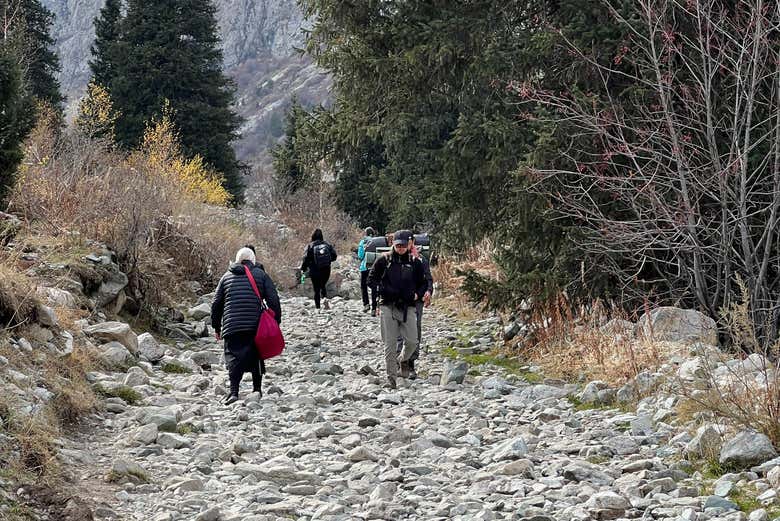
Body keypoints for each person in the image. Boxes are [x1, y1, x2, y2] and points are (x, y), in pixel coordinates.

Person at [211, 247, 282, 404]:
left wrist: (216, 326)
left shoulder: (226, 277)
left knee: (233, 358)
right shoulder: (261, 275)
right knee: (256, 355)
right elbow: (273, 298)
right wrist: (276, 320)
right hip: (254, 325)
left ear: (237, 260)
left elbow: (216, 303)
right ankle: (257, 390)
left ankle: (234, 392)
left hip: (231, 325)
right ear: (253, 260)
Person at [368, 230, 429, 389]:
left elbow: (423, 282)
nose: (400, 248)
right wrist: (382, 290)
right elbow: (371, 279)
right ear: (393, 245)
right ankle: (391, 379)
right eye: (398, 245)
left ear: (408, 245)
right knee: (389, 344)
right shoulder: (384, 260)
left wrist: (418, 294)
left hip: (408, 305)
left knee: (412, 341)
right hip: (387, 305)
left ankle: (402, 360)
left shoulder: (415, 262)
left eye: (403, 245)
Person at [396, 232, 433, 379]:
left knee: (415, 330)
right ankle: (401, 361)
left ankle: (410, 362)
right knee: (399, 329)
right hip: (398, 299)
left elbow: (428, 279)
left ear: (412, 242)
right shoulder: (391, 259)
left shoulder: (421, 260)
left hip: (416, 300)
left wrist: (428, 292)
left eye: (406, 242)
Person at [300, 228, 337, 310]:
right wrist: (327, 261)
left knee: (316, 289)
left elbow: (306, 259)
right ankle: (325, 303)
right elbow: (334, 256)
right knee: (323, 285)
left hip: (314, 270)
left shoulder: (310, 245)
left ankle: (318, 308)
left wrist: (303, 268)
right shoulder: (327, 244)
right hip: (326, 270)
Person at [357, 227, 378, 314]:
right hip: (375, 267)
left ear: (365, 233)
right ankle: (374, 308)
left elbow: (360, 256)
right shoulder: (377, 241)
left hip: (365, 267)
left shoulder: (363, 242)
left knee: (363, 286)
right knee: (374, 287)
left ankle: (366, 304)